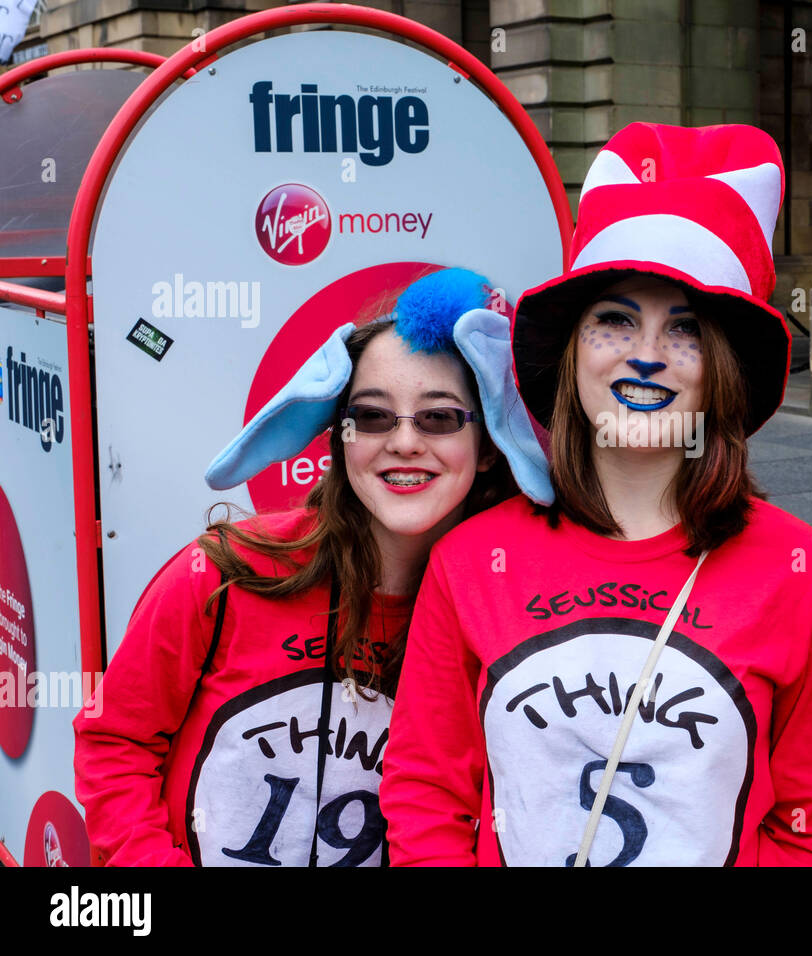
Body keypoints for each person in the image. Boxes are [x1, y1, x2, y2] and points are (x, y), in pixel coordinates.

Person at [381, 123, 812, 866]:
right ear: (570, 353)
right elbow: (426, 794)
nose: (646, 356)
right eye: (615, 320)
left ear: (721, 371)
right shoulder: (472, 560)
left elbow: (807, 822)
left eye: (686, 330)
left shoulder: (801, 571)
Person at [72, 268, 551, 867]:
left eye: (439, 418)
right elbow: (115, 740)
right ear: (340, 437)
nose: (404, 442)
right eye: (373, 416)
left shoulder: (507, 615)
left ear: (487, 449)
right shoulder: (225, 570)